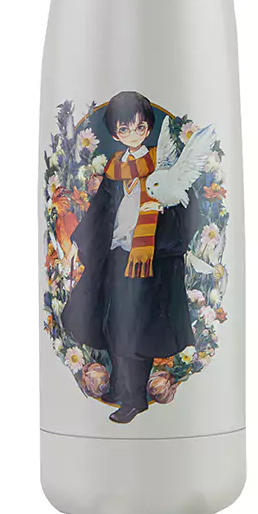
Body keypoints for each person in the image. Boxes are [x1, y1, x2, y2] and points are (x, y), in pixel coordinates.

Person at [63, 91, 199, 423]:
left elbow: (186, 205)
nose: (133, 134)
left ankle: (134, 397)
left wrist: (164, 236)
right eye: (124, 129)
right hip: (116, 255)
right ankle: (120, 388)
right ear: (115, 133)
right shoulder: (115, 168)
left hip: (149, 259)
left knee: (139, 330)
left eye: (140, 127)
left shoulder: (161, 165)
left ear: (148, 128)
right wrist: (83, 243)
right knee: (113, 323)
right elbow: (100, 210)